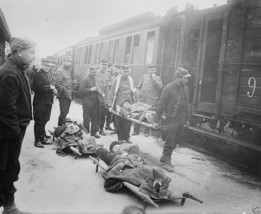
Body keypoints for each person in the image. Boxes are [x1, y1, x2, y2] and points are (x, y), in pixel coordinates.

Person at [0, 37, 36, 214]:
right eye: (32, 52)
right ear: (19, 51)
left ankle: (9, 207)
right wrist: (15, 133)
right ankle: (9, 209)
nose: (34, 57)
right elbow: (6, 108)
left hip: (13, 130)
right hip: (10, 132)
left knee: (9, 168)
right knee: (7, 168)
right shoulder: (10, 73)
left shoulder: (16, 69)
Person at [154, 67, 191, 172]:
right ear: (179, 77)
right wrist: (156, 120)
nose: (187, 81)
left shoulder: (186, 88)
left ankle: (163, 157)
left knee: (176, 141)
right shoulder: (168, 88)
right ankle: (166, 161)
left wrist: (187, 119)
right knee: (170, 140)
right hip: (171, 119)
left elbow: (187, 105)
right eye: (185, 78)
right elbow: (161, 104)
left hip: (182, 118)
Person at [108, 64, 138, 144]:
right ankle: (120, 138)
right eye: (125, 71)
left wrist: (136, 104)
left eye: (128, 71)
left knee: (128, 122)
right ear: (121, 71)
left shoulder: (132, 80)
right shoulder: (116, 80)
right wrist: (110, 105)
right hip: (119, 105)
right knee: (119, 122)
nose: (126, 73)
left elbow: (135, 93)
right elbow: (111, 93)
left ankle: (127, 137)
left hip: (129, 104)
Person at [31, 62, 57, 148]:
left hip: (48, 100)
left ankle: (42, 136)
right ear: (42, 65)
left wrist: (53, 89)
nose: (47, 67)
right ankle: (37, 140)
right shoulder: (37, 74)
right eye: (46, 65)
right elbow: (37, 87)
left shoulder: (49, 73)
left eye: (49, 66)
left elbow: (51, 84)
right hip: (40, 101)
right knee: (39, 120)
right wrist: (50, 88)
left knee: (46, 119)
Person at [133, 64, 162, 137]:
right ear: (148, 70)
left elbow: (160, 87)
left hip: (151, 99)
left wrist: (154, 78)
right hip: (143, 98)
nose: (151, 71)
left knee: (148, 115)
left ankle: (146, 132)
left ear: (155, 71)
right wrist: (139, 94)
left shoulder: (157, 78)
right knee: (139, 113)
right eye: (150, 70)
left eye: (153, 70)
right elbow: (138, 87)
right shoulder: (144, 77)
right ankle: (136, 130)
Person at [78, 66, 101, 138]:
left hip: (95, 101)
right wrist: (91, 89)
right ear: (89, 72)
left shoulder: (95, 79)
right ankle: (86, 132)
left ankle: (94, 132)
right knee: (86, 117)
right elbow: (80, 91)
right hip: (87, 101)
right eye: (93, 72)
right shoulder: (85, 79)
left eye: (95, 72)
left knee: (95, 117)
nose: (94, 74)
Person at [55, 56, 74, 126]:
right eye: (67, 62)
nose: (69, 64)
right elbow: (57, 84)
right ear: (63, 62)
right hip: (64, 96)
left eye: (70, 62)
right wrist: (64, 91)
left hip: (68, 96)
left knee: (65, 112)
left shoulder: (66, 71)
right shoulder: (60, 71)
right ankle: (59, 128)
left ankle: (61, 128)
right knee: (63, 113)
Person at [96, 59, 112, 135]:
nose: (104, 66)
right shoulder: (95, 73)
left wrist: (108, 101)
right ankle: (95, 129)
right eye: (102, 64)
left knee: (103, 115)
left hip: (104, 98)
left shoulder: (108, 75)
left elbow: (108, 88)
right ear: (99, 65)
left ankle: (101, 129)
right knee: (95, 114)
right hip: (96, 97)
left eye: (105, 65)